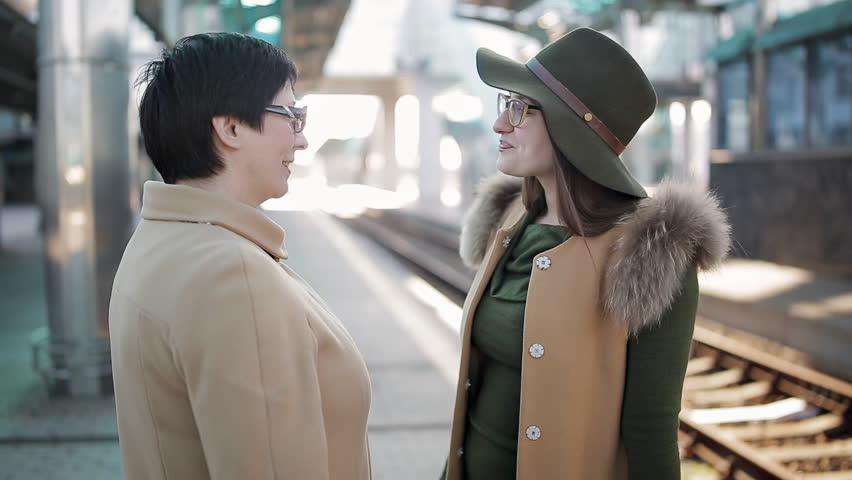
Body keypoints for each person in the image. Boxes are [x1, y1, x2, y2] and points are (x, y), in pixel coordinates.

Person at [442, 27, 731, 479]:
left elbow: (651, 431)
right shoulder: (510, 219)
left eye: (519, 109)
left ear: (567, 128)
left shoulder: (649, 254)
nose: (501, 123)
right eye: (505, 105)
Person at [109, 33, 371, 480]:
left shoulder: (160, 242)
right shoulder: (233, 276)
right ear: (230, 128)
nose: (301, 140)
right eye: (291, 116)